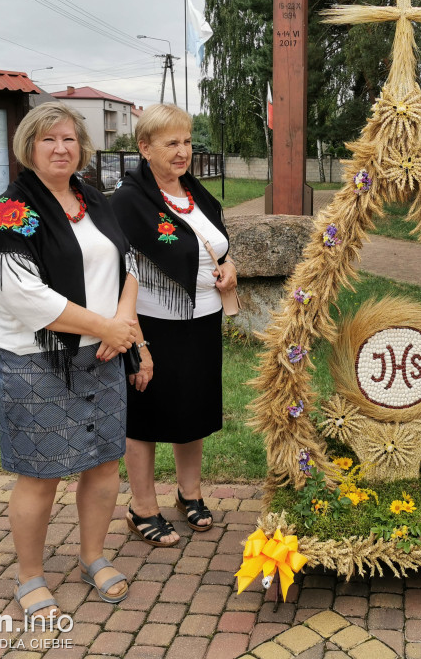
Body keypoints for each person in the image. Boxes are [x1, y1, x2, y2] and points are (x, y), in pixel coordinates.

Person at [0, 102, 138, 618]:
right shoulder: (12, 211)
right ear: (29, 148)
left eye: (69, 138)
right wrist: (104, 326)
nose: (61, 148)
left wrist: (125, 325)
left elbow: (128, 262)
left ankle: (93, 555)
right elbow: (23, 297)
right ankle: (30, 575)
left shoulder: (95, 200)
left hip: (105, 350)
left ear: (81, 147)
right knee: (40, 473)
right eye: (49, 140)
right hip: (37, 360)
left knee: (105, 462)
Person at [111, 103, 237, 546]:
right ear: (145, 148)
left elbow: (216, 244)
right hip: (151, 325)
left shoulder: (194, 191)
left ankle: (190, 494)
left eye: (186, 141)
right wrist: (136, 340)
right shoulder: (130, 201)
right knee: (145, 416)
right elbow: (120, 267)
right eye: (171, 143)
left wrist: (229, 266)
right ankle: (142, 506)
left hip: (202, 321)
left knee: (193, 409)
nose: (183, 151)